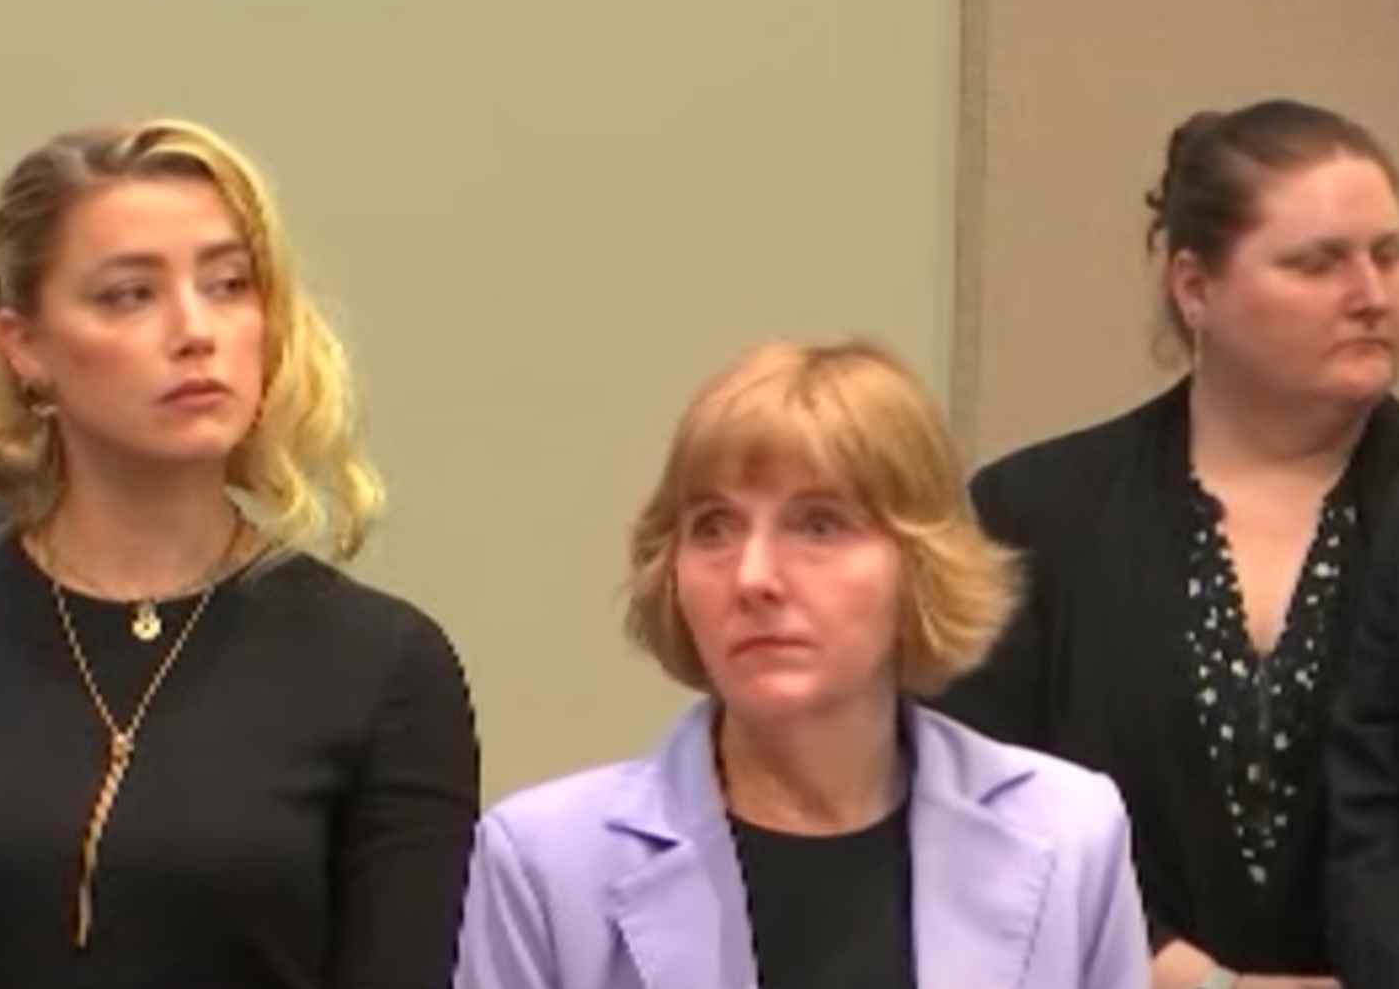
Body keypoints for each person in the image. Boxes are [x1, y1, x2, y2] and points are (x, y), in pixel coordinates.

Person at [0, 118, 480, 988]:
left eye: (229, 285)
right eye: (130, 295)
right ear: (25, 346)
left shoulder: (382, 667)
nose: (195, 330)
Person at [456, 341, 1148, 989]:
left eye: (818, 525)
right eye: (713, 528)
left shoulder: (1069, 834)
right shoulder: (547, 864)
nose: (753, 577)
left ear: (920, 564)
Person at [936, 100, 1399, 988]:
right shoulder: (1036, 513)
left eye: (1387, 255)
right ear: (1195, 288)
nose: (1371, 294)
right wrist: (1193, 980)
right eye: (1317, 263)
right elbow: (974, 808)